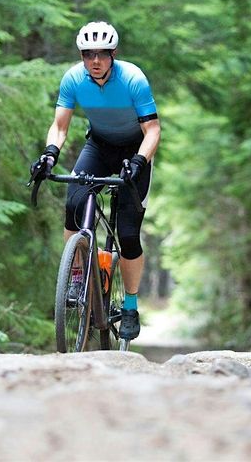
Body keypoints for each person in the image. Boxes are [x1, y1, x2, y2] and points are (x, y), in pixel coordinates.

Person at [30, 21, 160, 341]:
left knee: (128, 234)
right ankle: (76, 277)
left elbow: (153, 131)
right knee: (74, 205)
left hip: (135, 150)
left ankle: (129, 306)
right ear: (82, 56)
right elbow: (60, 127)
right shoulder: (74, 78)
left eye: (102, 53)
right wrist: (49, 155)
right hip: (99, 146)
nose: (96, 61)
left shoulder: (133, 79)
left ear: (113, 54)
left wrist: (140, 162)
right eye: (89, 54)